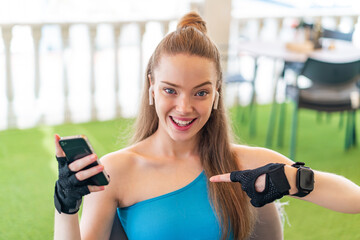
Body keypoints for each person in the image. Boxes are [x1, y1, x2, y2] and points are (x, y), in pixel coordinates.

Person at [53, 12, 360, 240]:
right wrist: (65, 206)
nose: (184, 108)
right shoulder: (116, 171)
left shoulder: (244, 163)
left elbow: (354, 200)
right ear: (151, 87)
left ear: (216, 93)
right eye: (170, 90)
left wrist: (292, 179)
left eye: (200, 92)